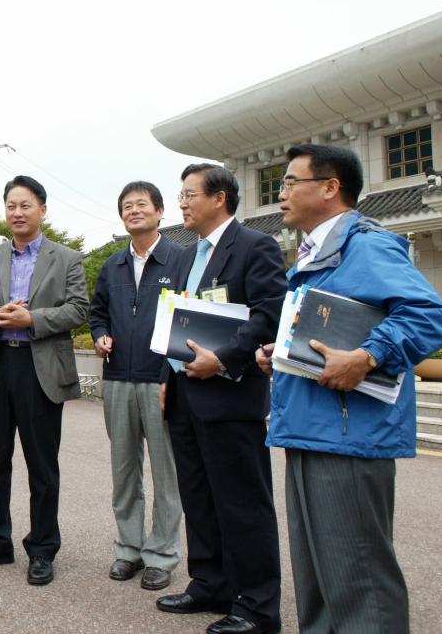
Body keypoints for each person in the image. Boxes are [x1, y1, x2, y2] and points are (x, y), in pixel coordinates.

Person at [256, 144, 442, 634]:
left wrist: (366, 357)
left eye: (290, 182)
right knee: (320, 578)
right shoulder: (315, 252)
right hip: (309, 428)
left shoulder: (366, 244)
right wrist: (279, 356)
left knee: (358, 577)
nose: (281, 194)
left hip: (348, 435)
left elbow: (429, 318)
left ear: (329, 187)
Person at [154, 164, 287, 634]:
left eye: (190, 194)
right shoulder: (189, 256)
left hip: (231, 396)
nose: (183, 203)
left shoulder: (256, 246)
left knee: (242, 502)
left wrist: (225, 359)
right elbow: (181, 319)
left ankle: (257, 606)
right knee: (199, 495)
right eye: (181, 194)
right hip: (188, 394)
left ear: (220, 199)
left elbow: (269, 315)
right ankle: (209, 582)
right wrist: (170, 374)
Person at [0, 175, 89, 586]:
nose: (17, 212)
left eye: (25, 205)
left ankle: (43, 548)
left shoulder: (66, 258)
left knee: (42, 465)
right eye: (11, 205)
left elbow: (79, 308)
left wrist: (34, 319)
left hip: (41, 367)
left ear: (42, 210)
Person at [88, 181, 183, 591]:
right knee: (124, 470)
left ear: (160, 211)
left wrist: (171, 374)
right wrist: (99, 334)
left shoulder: (181, 259)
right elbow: (98, 313)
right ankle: (128, 548)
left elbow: (189, 320)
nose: (133, 211)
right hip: (118, 380)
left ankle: (161, 554)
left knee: (167, 473)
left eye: (141, 204)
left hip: (161, 381)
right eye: (126, 206)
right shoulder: (113, 265)